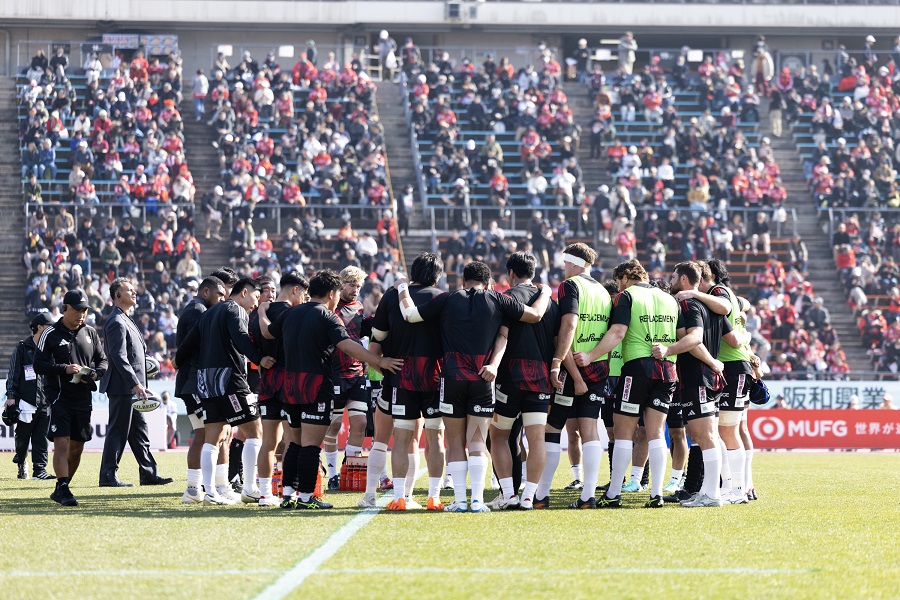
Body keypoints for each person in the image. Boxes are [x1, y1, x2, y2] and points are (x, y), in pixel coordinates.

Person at [396, 261, 552, 513]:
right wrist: (545, 292)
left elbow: (410, 315)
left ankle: (460, 501)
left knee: (456, 443)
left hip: (452, 378)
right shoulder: (498, 298)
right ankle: (477, 501)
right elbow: (535, 315)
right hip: (483, 378)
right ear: (489, 282)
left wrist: (403, 288)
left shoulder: (447, 298)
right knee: (478, 441)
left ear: (462, 280)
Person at [264, 270, 403, 510]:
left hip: (290, 385)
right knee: (310, 445)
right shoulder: (327, 316)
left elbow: (268, 332)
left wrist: (260, 313)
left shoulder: (290, 313)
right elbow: (347, 346)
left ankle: (287, 495)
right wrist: (378, 361)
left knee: (294, 443)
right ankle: (306, 497)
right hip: (315, 386)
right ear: (332, 293)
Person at [575, 260, 696, 508]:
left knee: (623, 433)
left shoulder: (627, 296)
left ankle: (613, 494)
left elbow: (618, 332)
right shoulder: (670, 300)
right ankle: (656, 495)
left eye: (618, 282)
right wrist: (669, 349)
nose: (618, 287)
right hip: (667, 371)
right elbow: (687, 338)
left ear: (625, 277)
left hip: (637, 369)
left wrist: (590, 356)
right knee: (656, 433)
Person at [175, 278, 276, 505]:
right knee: (255, 432)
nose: (255, 304)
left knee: (213, 438)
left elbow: (188, 343)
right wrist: (259, 358)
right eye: (255, 297)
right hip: (228, 380)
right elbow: (241, 338)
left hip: (206, 382)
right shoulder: (235, 310)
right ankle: (250, 489)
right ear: (244, 293)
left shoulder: (208, 313)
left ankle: (210, 492)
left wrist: (177, 360)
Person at [368, 252, 447, 511]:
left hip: (401, 377)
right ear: (437, 276)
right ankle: (434, 497)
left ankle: (400, 497)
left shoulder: (391, 296)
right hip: (435, 378)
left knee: (401, 438)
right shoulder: (443, 298)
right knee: (435, 438)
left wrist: (381, 365)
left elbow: (377, 339)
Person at [660, 262, 741, 507]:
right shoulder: (712, 306)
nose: (670, 281)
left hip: (698, 377)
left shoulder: (687, 304)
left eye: (673, 277)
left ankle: (712, 494)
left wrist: (669, 350)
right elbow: (732, 336)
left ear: (684, 279)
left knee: (704, 437)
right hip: (708, 379)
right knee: (706, 436)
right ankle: (709, 490)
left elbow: (694, 339)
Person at [540, 243, 611, 509]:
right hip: (597, 368)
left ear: (573, 263)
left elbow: (568, 326)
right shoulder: (603, 291)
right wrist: (593, 357)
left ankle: (541, 495)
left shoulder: (569, 286)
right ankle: (587, 496)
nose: (563, 267)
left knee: (552, 428)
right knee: (590, 430)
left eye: (565, 263)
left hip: (572, 368)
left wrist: (558, 362)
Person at [489, 252, 560, 510]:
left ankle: (509, 495)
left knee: (498, 435)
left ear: (511, 273)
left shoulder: (507, 298)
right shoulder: (550, 302)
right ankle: (529, 496)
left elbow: (502, 336)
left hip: (510, 376)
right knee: (536, 438)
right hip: (541, 377)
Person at [34, 289, 108, 507]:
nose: (81, 315)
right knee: (62, 442)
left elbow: (103, 361)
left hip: (83, 397)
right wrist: (64, 369)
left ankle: (62, 487)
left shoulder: (91, 333)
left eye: (84, 310)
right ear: (64, 308)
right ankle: (63, 486)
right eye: (77, 310)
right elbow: (38, 365)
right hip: (59, 397)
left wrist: (95, 374)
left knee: (77, 447)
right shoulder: (50, 333)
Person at [98, 278, 173, 487]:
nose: (134, 293)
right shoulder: (116, 321)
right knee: (118, 431)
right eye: (129, 290)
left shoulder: (126, 319)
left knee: (139, 431)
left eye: (133, 290)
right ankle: (107, 476)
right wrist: (135, 384)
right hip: (123, 387)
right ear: (117, 296)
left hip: (132, 388)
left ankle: (148, 473)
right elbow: (118, 356)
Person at [253, 271, 309, 507]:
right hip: (288, 383)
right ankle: (289, 492)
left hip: (267, 381)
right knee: (292, 441)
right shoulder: (294, 314)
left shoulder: (259, 314)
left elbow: (252, 342)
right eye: (303, 294)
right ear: (295, 290)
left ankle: (265, 494)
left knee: (268, 442)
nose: (303, 299)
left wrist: (259, 358)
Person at [322, 267, 371, 490]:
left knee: (360, 424)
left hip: (356, 374)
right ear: (341, 284)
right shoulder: (330, 307)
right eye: (351, 284)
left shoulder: (359, 308)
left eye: (358, 286)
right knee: (333, 426)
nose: (355, 289)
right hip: (333, 374)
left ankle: (348, 470)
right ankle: (332, 474)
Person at [5, 313, 56, 480]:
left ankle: (39, 470)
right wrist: (11, 397)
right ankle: (21, 461)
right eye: (49, 327)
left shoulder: (51, 349)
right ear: (39, 327)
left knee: (41, 438)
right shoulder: (21, 348)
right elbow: (13, 374)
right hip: (26, 402)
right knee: (22, 438)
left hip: (45, 400)